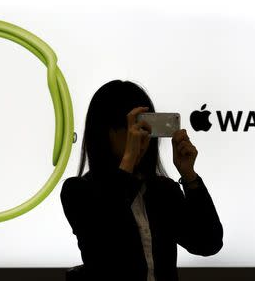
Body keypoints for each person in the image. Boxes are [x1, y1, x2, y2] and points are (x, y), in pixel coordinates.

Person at [60, 80, 223, 281]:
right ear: (104, 132)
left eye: (145, 127)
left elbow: (208, 242)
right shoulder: (78, 191)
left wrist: (189, 176)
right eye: (129, 128)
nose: (140, 137)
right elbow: (104, 241)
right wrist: (128, 160)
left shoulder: (163, 190)